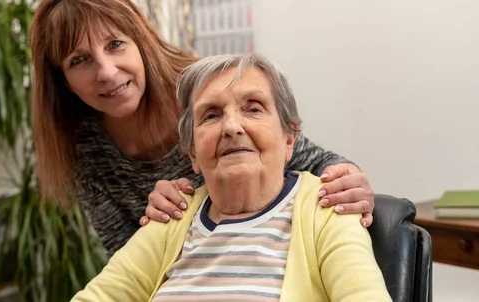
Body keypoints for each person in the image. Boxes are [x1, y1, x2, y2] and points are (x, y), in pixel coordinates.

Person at [30, 0, 375, 256]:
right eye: (79, 60)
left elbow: (312, 159)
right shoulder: (83, 148)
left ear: (140, 42)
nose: (106, 71)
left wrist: (347, 179)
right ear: (63, 82)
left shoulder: (203, 89)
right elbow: (129, 262)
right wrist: (157, 226)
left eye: (115, 44)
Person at [70, 53, 391, 302]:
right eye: (211, 115)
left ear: (290, 137)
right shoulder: (171, 217)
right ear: (192, 152)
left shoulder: (326, 208)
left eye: (253, 109)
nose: (232, 127)